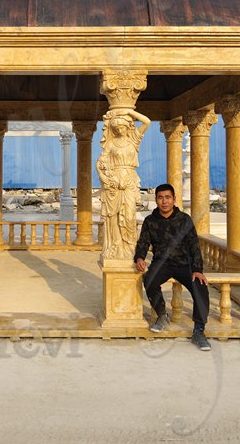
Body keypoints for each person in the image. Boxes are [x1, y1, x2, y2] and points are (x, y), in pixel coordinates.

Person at [134, 183, 212, 351]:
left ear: (174, 199)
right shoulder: (150, 221)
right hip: (162, 263)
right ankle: (162, 315)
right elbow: (143, 243)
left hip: (185, 264)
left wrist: (198, 269)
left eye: (168, 197)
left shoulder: (184, 219)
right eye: (160, 198)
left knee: (200, 286)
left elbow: (194, 245)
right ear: (156, 200)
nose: (164, 202)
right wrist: (139, 257)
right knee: (149, 279)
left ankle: (199, 330)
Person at [95, 108, 150, 259]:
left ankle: (130, 248)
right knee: (113, 217)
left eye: (122, 127)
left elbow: (147, 122)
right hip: (114, 182)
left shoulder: (134, 140)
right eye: (116, 128)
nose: (119, 130)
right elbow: (100, 162)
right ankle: (115, 247)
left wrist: (128, 111)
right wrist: (104, 177)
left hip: (130, 181)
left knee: (129, 217)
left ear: (128, 127)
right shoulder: (111, 144)